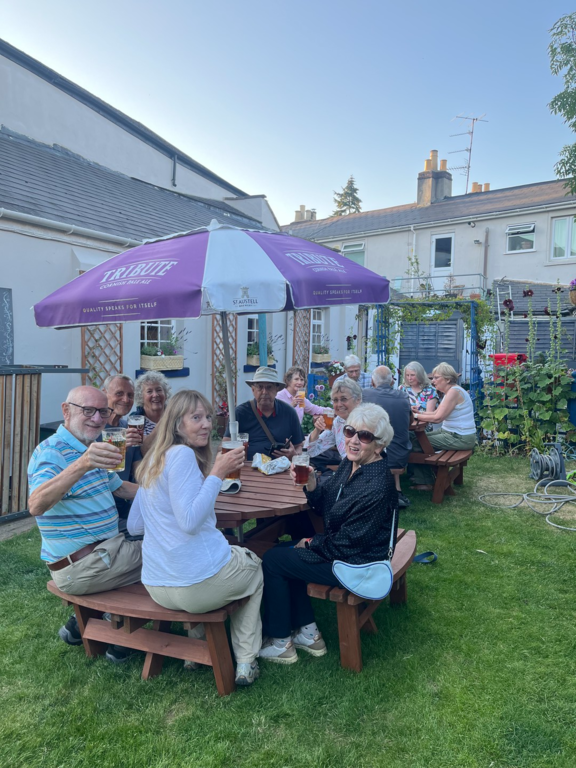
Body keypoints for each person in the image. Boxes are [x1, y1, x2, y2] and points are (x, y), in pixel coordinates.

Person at [127, 390, 263, 686]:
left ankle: (195, 649)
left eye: (208, 417)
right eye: (196, 418)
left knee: (216, 561)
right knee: (254, 566)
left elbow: (135, 525)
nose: (206, 425)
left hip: (157, 584)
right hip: (193, 588)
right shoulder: (182, 455)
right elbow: (189, 522)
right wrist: (217, 472)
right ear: (177, 424)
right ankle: (246, 661)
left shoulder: (152, 460)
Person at [258, 403, 398, 664]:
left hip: (358, 565)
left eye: (364, 436)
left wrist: (310, 543)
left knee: (275, 560)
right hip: (345, 551)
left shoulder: (377, 485)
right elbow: (325, 504)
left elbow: (347, 544)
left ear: (379, 445)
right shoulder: (351, 464)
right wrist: (312, 483)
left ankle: (280, 641)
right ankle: (308, 634)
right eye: (350, 431)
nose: (353, 440)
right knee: (283, 552)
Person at [27, 386, 142, 661]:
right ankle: (121, 632)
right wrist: (82, 464)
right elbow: (36, 504)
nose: (97, 418)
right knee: (171, 555)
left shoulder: (89, 448)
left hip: (104, 553)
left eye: (103, 411)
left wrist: (166, 492)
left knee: (160, 543)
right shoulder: (53, 452)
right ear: (66, 411)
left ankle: (88, 624)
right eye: (88, 410)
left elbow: (120, 488)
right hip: (82, 565)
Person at [409, 362, 477, 490]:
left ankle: (425, 482)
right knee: (414, 437)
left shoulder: (453, 392)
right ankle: (421, 477)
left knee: (416, 441)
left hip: (460, 437)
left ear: (447, 379)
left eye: (436, 378)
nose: (433, 381)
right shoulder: (452, 391)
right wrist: (419, 413)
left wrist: (415, 416)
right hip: (455, 434)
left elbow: (437, 418)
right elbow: (435, 413)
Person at [226, 367, 304, 460]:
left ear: (277, 390)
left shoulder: (289, 412)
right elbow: (226, 443)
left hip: (281, 467)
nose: (264, 392)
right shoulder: (240, 413)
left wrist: (293, 455)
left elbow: (299, 446)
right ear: (253, 390)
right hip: (248, 467)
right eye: (260, 387)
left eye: (269, 387)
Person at [362, 366, 412, 509]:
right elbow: (410, 422)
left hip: (374, 454)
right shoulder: (403, 396)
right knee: (390, 440)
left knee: (375, 440)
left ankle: (381, 492)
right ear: (391, 382)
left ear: (373, 382)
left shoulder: (364, 395)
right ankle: (397, 491)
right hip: (399, 455)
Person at [101, 374, 143, 531]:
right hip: (102, 506)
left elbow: (138, 470)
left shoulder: (129, 427)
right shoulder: (94, 428)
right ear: (105, 393)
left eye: (130, 395)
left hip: (126, 502)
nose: (126, 400)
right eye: (119, 393)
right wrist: (120, 446)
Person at [306, 378, 362, 460]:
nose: (339, 404)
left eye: (343, 399)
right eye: (335, 400)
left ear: (358, 400)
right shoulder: (338, 422)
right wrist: (317, 430)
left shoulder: (366, 422)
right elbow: (310, 451)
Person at [133, 371, 171, 436]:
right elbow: (139, 442)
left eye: (159, 390)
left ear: (165, 394)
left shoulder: (175, 416)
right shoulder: (135, 420)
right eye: (149, 391)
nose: (155, 395)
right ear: (141, 397)